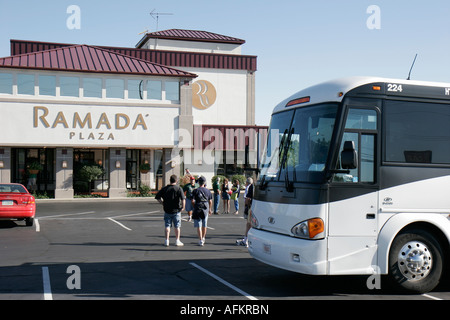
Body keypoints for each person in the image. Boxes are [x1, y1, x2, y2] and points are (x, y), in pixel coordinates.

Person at [155, 174, 186, 247]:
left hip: (167, 210)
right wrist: (183, 207)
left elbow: (157, 197)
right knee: (177, 226)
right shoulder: (179, 188)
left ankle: (166, 240)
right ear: (176, 180)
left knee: (167, 226)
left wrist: (162, 203)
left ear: (170, 180)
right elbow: (183, 199)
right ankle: (177, 240)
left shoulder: (165, 188)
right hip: (176, 210)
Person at [191, 176, 212, 246]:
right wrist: (210, 209)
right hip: (205, 206)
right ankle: (203, 238)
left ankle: (200, 239)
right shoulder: (208, 191)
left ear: (198, 183)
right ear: (204, 183)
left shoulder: (195, 190)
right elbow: (210, 201)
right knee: (204, 224)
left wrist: (194, 207)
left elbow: (193, 201)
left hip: (198, 206)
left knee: (199, 225)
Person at [236, 177, 254, 247]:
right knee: (250, 224)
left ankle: (246, 240)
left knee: (249, 224)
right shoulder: (254, 186)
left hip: (251, 207)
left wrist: (247, 206)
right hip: (255, 207)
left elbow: (247, 198)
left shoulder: (250, 187)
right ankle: (246, 240)